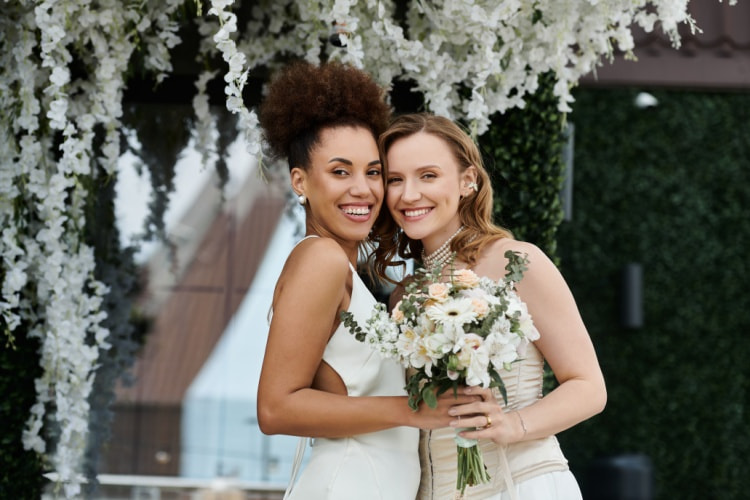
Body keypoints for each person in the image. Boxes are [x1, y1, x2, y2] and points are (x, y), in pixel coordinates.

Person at [256, 63, 473, 500]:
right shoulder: (320, 258)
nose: (364, 189)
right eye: (340, 172)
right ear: (300, 181)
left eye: (374, 172)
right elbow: (275, 409)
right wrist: (416, 410)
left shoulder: (344, 269)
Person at [373, 113, 607, 500]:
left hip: (520, 485)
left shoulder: (517, 262)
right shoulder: (403, 296)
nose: (408, 194)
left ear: (468, 181)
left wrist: (515, 424)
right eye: (395, 179)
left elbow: (589, 387)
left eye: (428, 175)